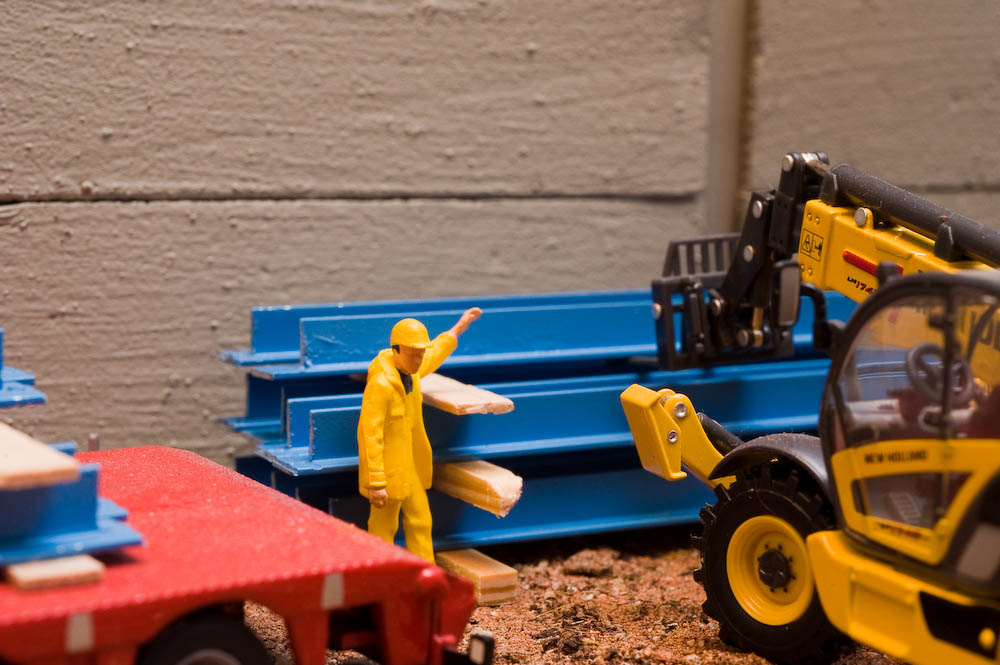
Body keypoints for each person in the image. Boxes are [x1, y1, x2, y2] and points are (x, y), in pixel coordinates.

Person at [357, 307, 481, 562]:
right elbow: (369, 434)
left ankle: (426, 571)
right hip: (387, 472)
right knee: (383, 527)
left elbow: (434, 353)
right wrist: (376, 482)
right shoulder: (381, 386)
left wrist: (459, 327)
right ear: (396, 351)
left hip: (409, 466)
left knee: (421, 519)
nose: (418, 360)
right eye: (413, 354)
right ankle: (378, 572)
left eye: (420, 354)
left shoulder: (411, 373)